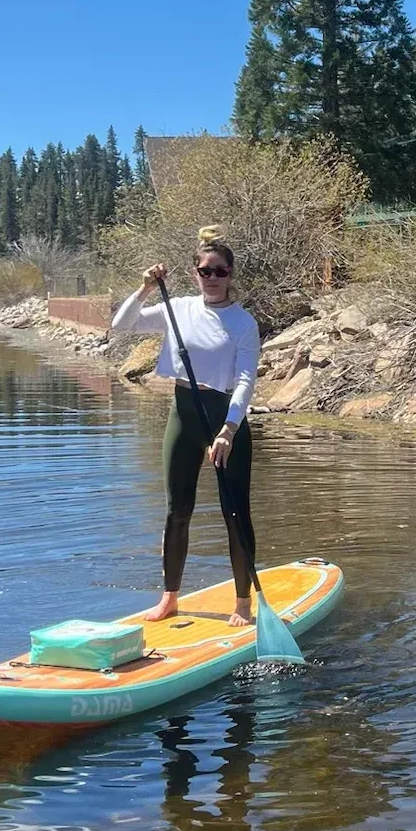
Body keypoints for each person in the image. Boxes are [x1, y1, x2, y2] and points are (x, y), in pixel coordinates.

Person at [110, 229, 262, 627]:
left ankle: (243, 602)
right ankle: (170, 597)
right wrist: (144, 288)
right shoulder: (177, 308)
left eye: (219, 271)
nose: (212, 278)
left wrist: (229, 429)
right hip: (183, 413)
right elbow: (122, 324)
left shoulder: (243, 323)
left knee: (235, 513)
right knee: (178, 511)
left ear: (230, 274)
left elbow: (245, 380)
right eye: (204, 271)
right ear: (195, 273)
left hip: (224, 418)